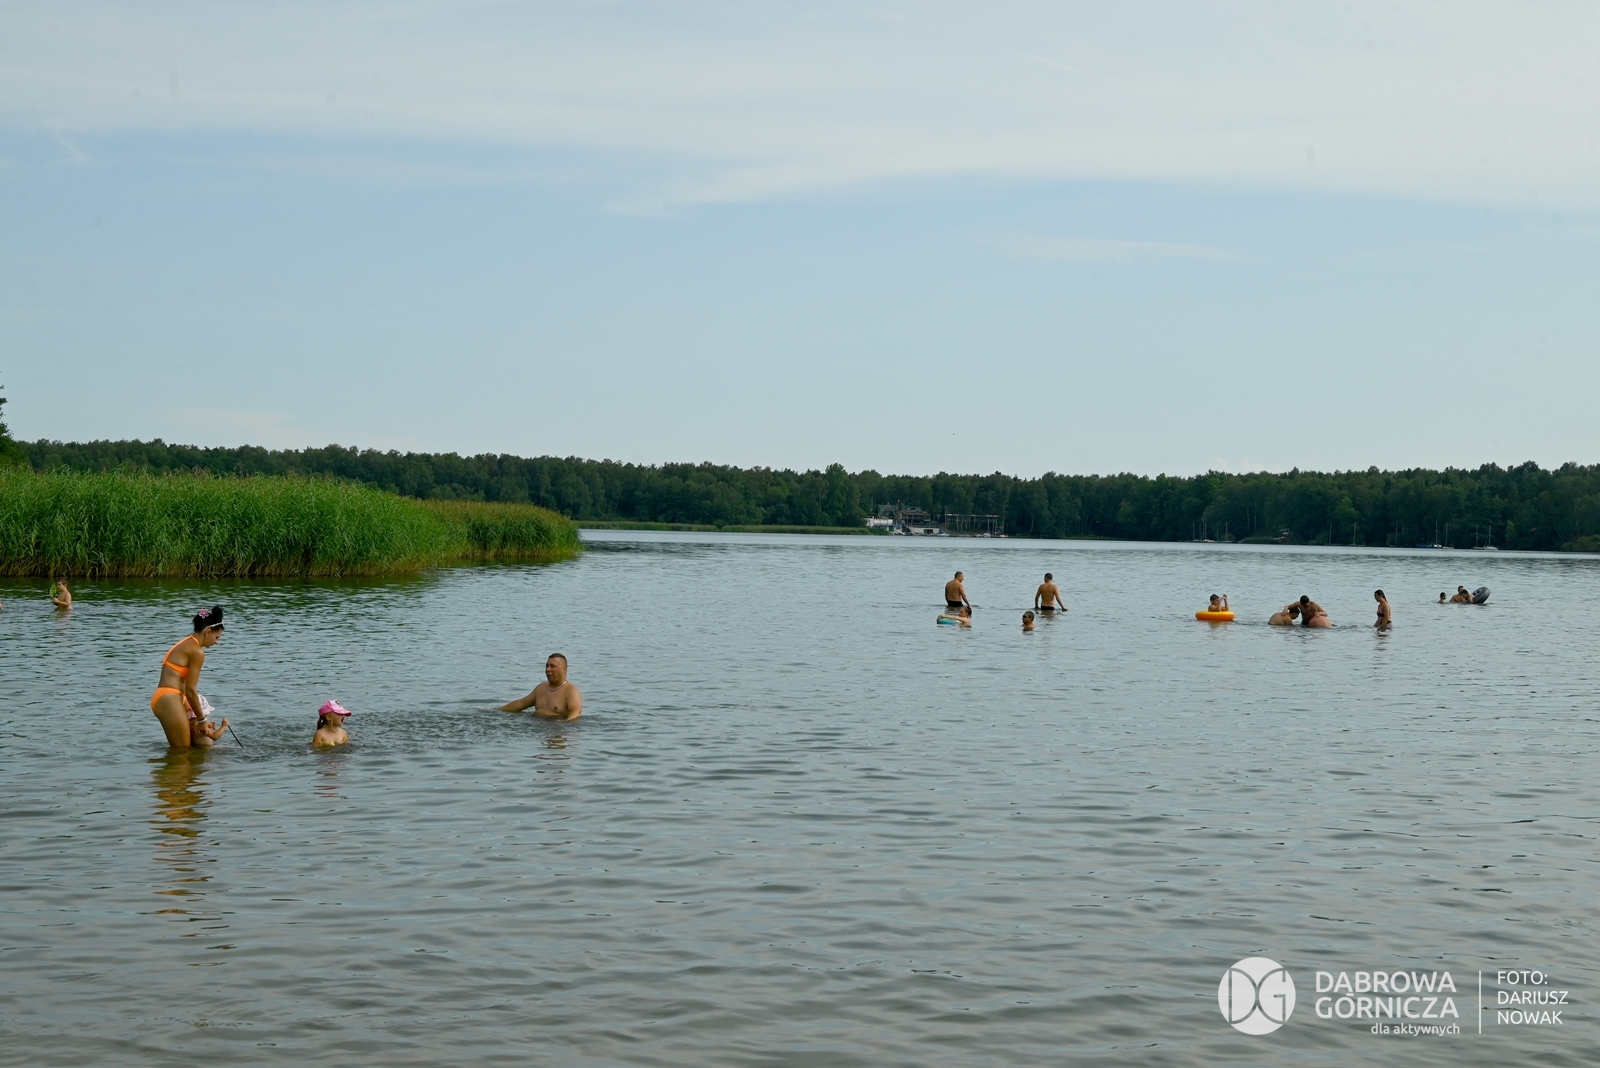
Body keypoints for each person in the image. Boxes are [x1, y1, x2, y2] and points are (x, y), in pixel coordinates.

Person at [150, 606, 229, 749]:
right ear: (208, 632)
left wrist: (196, 719)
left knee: (197, 746)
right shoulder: (197, 652)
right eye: (217, 637)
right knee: (182, 752)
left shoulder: (187, 642)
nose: (217, 642)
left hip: (170, 697)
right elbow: (191, 690)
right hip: (169, 698)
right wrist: (201, 719)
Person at [499, 653, 583, 720]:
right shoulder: (541, 688)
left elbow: (576, 713)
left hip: (556, 728)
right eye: (547, 666)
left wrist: (565, 726)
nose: (548, 669)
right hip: (535, 726)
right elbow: (520, 703)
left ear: (564, 669)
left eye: (552, 666)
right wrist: (497, 711)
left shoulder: (571, 691)